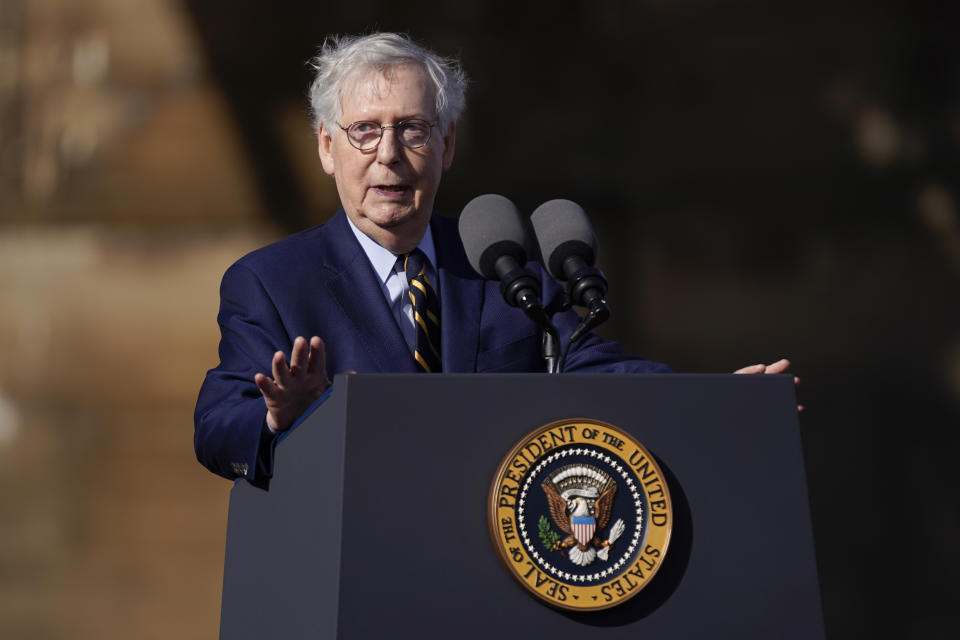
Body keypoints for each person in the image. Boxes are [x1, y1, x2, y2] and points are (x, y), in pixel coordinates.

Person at [194, 32, 791, 489]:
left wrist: (709, 399)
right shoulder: (270, 283)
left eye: (413, 129)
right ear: (327, 147)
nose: (390, 156)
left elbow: (587, 363)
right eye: (365, 132)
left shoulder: (499, 260)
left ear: (447, 145)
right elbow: (218, 426)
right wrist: (282, 421)